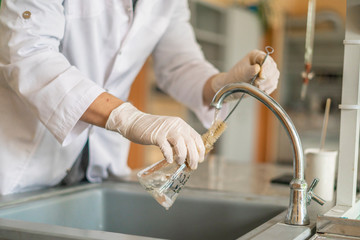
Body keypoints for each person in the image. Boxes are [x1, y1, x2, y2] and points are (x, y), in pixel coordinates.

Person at [0, 0, 279, 195]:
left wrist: (226, 82)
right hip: (22, 166)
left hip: (98, 168)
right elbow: (29, 55)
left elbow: (179, 65)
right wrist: (126, 117)